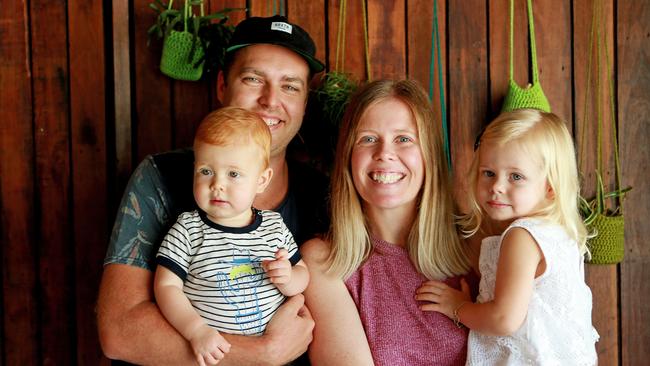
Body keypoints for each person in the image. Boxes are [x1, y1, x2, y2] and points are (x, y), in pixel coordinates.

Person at [97, 15, 327, 365]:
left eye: (290, 86)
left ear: (305, 103)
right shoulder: (162, 177)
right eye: (253, 79)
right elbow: (119, 332)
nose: (270, 100)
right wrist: (261, 354)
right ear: (222, 85)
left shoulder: (321, 194)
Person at [301, 79, 474, 365]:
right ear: (348, 157)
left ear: (428, 154)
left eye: (404, 139)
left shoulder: (475, 245)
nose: (384, 153)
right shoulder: (325, 261)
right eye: (368, 139)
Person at [417, 109, 599, 365]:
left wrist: (457, 308)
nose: (497, 186)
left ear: (550, 187)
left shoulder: (522, 237)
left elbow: (504, 319)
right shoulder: (559, 233)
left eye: (516, 177)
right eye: (488, 173)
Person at [154, 107, 309, 366]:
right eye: (206, 171)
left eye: (233, 174)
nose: (217, 184)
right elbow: (166, 287)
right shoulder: (188, 229)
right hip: (215, 354)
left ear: (261, 180)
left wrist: (289, 278)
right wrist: (196, 331)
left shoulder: (273, 226)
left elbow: (302, 275)